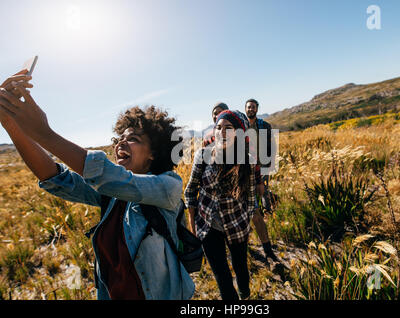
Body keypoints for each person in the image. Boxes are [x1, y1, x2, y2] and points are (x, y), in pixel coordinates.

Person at [0, 70, 195, 300]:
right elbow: (57, 178)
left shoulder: (168, 187)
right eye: (119, 138)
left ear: (153, 153)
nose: (122, 141)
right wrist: (10, 123)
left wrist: (44, 133)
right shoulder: (111, 195)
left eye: (132, 138)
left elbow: (109, 176)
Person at [185, 110, 256, 300]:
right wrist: (194, 227)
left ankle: (245, 296)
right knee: (222, 278)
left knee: (241, 267)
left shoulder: (247, 160)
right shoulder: (203, 155)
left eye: (228, 128)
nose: (221, 132)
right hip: (208, 226)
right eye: (218, 127)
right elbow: (190, 191)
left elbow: (250, 197)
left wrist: (246, 222)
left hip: (237, 225)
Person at [203, 102, 278, 262]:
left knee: (255, 213)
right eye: (215, 113)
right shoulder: (210, 138)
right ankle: (240, 250)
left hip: (244, 182)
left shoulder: (240, 133)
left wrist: (258, 181)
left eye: (221, 112)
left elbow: (252, 156)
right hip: (221, 190)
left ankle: (268, 251)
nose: (218, 115)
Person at [245, 98, 279, 261]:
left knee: (263, 188)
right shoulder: (242, 125)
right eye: (249, 107)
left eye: (253, 107)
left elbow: (272, 145)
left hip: (263, 163)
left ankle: (267, 210)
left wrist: (272, 161)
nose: (251, 109)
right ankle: (257, 212)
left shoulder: (264, 125)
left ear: (257, 109)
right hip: (249, 166)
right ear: (245, 109)